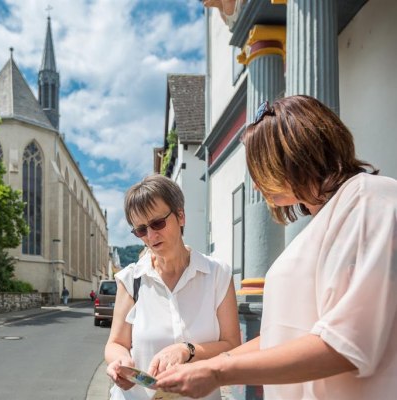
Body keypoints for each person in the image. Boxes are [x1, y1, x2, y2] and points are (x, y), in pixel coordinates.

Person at [155, 95, 397, 399]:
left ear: (297, 154)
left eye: (261, 169)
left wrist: (217, 372)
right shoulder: (329, 218)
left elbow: (348, 344)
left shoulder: (369, 200)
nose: (256, 185)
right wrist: (209, 364)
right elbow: (281, 336)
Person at [105, 174, 240, 400]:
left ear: (180, 216)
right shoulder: (131, 280)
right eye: (140, 230)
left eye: (157, 223)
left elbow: (232, 346)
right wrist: (120, 362)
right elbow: (116, 343)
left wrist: (187, 350)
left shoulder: (217, 274)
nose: (150, 235)